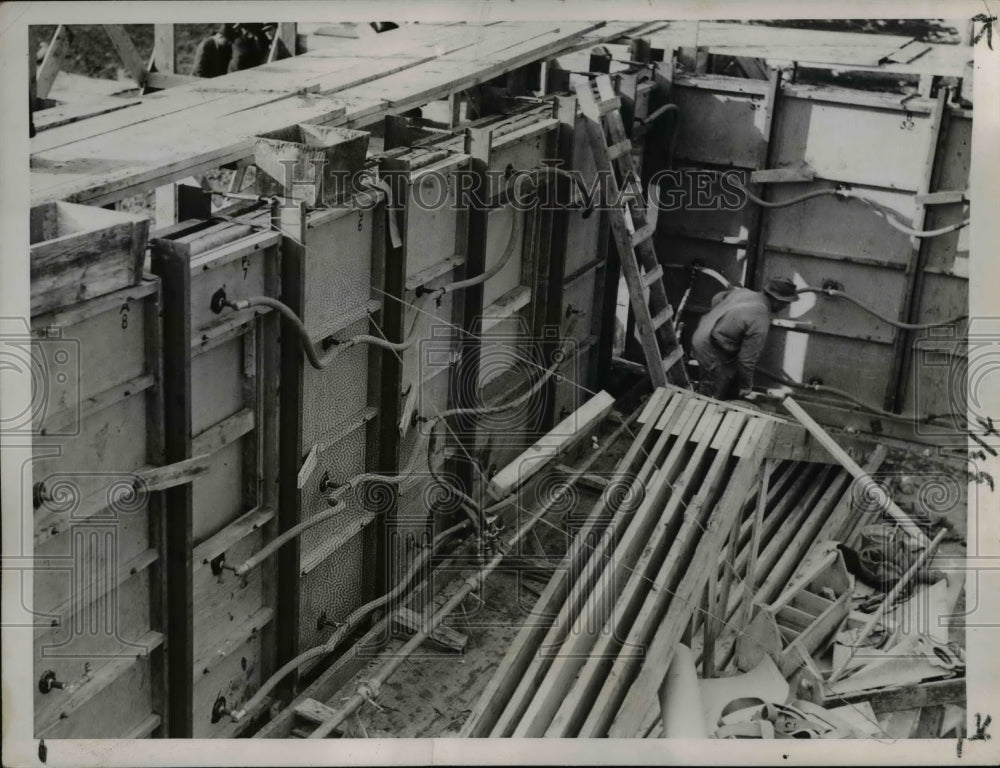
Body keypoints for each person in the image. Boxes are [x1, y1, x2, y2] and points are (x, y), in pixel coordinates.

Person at [691, 276, 797, 400]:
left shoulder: (743, 292)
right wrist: (746, 386)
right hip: (710, 349)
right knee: (711, 395)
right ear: (777, 300)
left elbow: (718, 298)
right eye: (786, 303)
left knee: (723, 377)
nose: (786, 306)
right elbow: (747, 360)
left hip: (702, 334)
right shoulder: (760, 318)